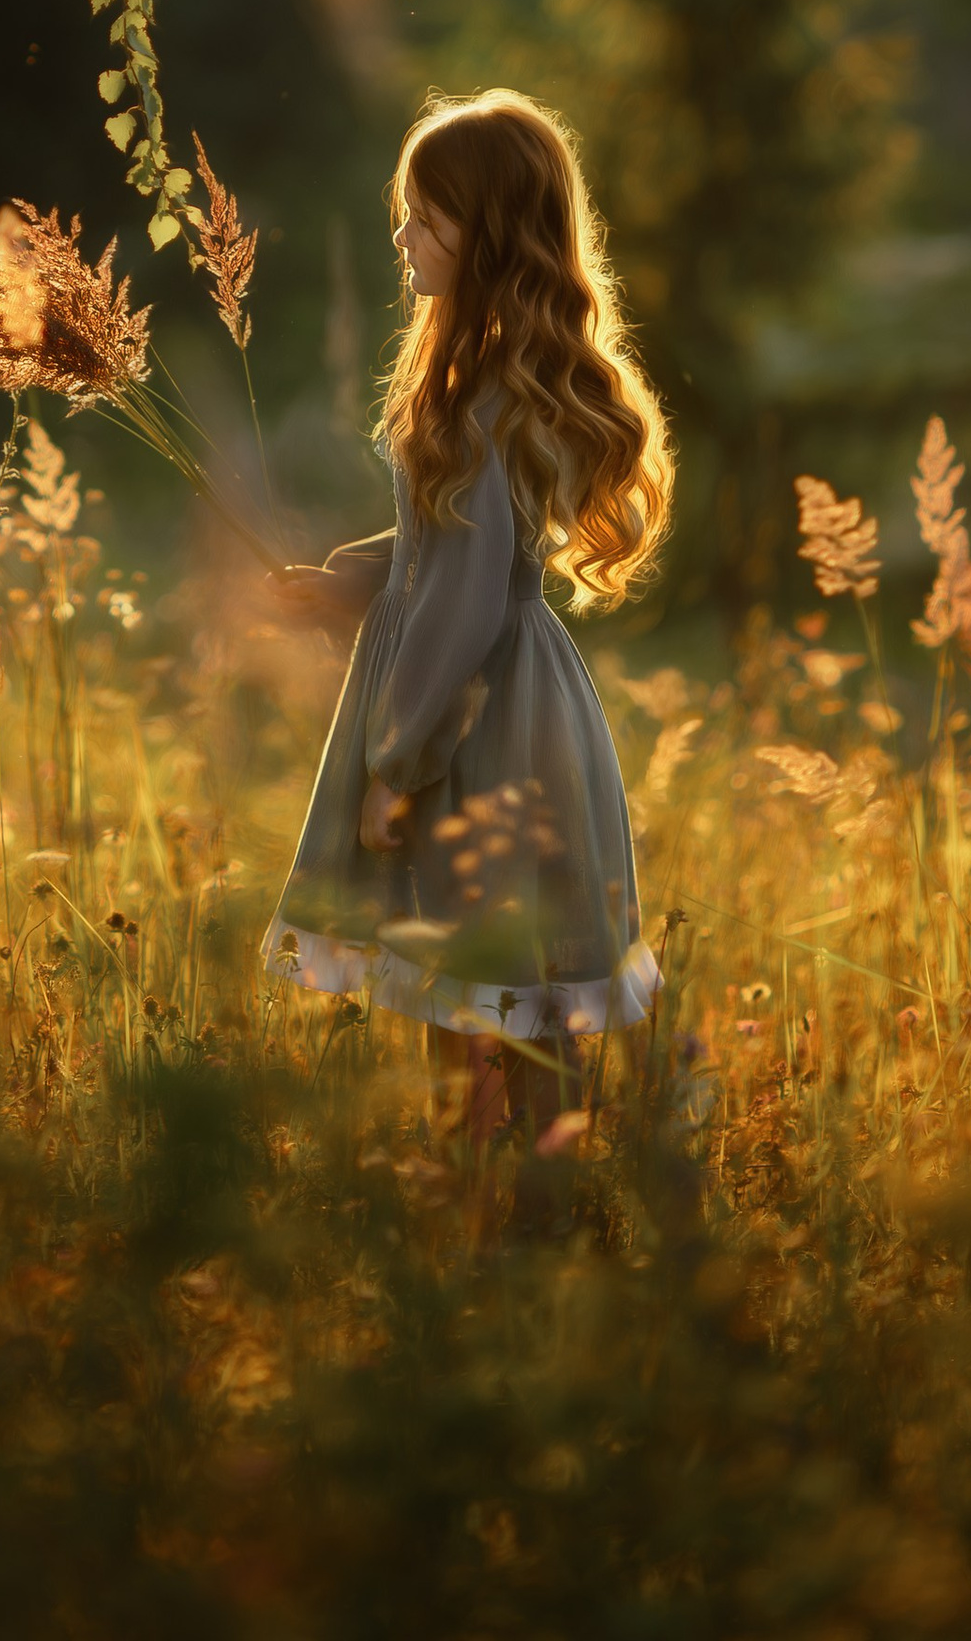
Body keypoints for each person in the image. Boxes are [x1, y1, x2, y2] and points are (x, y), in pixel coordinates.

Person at [263, 89, 674, 1143]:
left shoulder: (481, 395)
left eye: (423, 215)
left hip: (470, 721)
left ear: (485, 231)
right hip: (522, 700)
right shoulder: (488, 378)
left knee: (473, 970)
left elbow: (466, 595)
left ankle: (508, 1194)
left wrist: (397, 769)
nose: (401, 234)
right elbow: (447, 549)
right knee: (507, 979)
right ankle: (520, 1189)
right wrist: (352, 582)